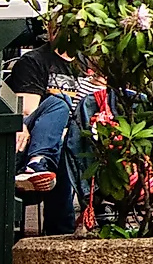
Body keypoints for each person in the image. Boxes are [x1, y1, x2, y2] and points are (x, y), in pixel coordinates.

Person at [6, 31, 93, 235]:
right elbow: (27, 111)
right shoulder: (34, 61)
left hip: (77, 141)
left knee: (67, 143)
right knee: (59, 104)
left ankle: (39, 165)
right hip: (34, 139)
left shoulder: (87, 64)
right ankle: (61, 232)